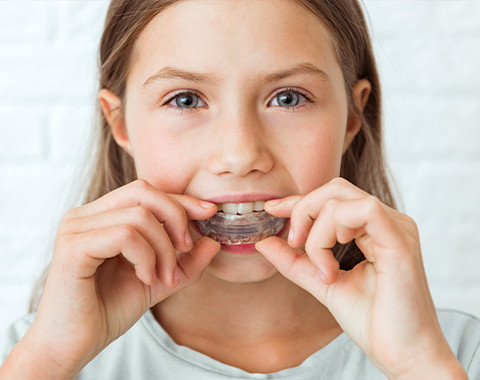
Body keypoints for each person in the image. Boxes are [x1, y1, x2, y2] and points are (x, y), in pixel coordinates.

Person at [1, 0, 479, 379]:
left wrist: (419, 367)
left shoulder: (456, 356)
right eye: (185, 100)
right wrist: (48, 362)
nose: (239, 154)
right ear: (120, 123)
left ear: (352, 117)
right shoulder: (33, 356)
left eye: (288, 98)